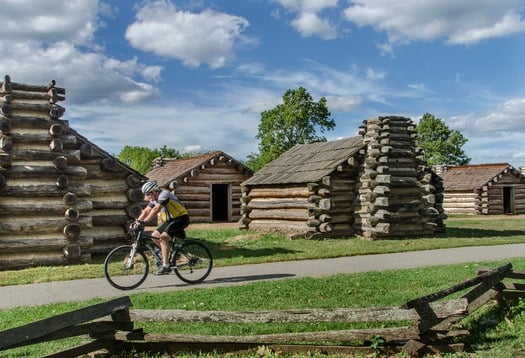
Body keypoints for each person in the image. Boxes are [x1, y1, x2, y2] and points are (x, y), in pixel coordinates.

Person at [135, 180, 189, 275]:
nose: (147, 197)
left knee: (163, 237)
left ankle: (166, 266)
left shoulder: (164, 194)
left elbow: (156, 209)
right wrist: (137, 222)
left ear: (154, 191)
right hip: (170, 221)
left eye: (148, 194)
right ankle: (170, 255)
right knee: (154, 236)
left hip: (181, 218)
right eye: (145, 194)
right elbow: (146, 211)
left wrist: (145, 221)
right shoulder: (154, 198)